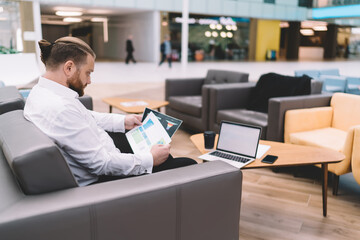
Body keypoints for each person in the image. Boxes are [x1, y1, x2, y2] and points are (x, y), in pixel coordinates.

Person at [24, 36, 196, 186]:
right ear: (68, 68)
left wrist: (123, 121)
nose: (89, 80)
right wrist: (150, 159)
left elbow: (86, 116)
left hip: (104, 152)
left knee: (155, 147)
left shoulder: (42, 93)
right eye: (88, 73)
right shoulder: (60, 109)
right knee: (187, 164)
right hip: (103, 179)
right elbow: (101, 164)